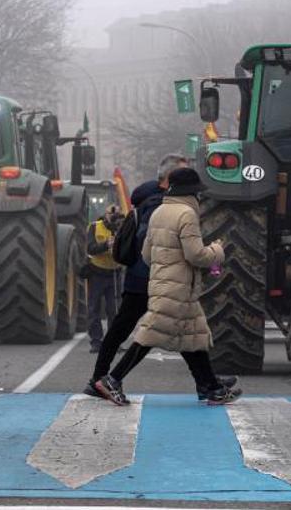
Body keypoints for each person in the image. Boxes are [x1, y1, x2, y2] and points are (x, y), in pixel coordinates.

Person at [85, 154, 236, 402]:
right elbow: (192, 253)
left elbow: (147, 250)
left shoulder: (157, 206)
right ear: (169, 179)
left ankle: (209, 385)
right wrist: (216, 252)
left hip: (158, 279)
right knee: (150, 333)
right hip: (158, 282)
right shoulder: (169, 207)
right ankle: (107, 379)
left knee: (191, 331)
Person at [83, 205, 124, 352]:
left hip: (114, 273)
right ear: (105, 214)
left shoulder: (122, 228)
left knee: (114, 309)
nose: (114, 218)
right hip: (97, 273)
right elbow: (90, 248)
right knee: (94, 308)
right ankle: (96, 341)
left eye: (118, 215)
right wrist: (106, 245)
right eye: (112, 214)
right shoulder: (94, 227)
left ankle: (113, 342)